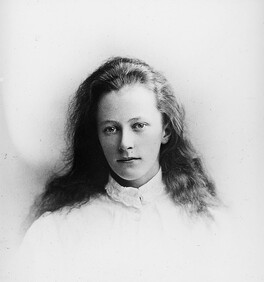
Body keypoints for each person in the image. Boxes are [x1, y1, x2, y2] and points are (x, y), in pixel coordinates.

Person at [17, 57, 219, 281]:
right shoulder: (54, 233)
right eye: (111, 129)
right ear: (97, 136)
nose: (125, 144)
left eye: (138, 126)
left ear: (166, 131)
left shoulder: (209, 227)